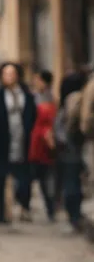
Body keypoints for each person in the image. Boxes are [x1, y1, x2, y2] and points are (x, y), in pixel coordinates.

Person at [0, 62, 37, 224]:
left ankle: (24, 206)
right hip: (3, 141)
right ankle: (0, 214)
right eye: (6, 73)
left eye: (12, 73)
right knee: (0, 178)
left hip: (23, 139)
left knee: (25, 176)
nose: (9, 77)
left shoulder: (27, 94)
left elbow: (32, 117)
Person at [55, 72, 86, 234]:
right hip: (74, 147)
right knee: (73, 183)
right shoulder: (76, 98)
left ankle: (73, 215)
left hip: (69, 149)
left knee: (71, 182)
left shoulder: (69, 99)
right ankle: (75, 215)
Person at [28, 101, 57, 221]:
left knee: (44, 186)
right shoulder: (46, 128)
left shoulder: (38, 127)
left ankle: (50, 209)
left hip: (39, 161)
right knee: (46, 186)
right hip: (45, 162)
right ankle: (50, 210)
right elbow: (52, 146)